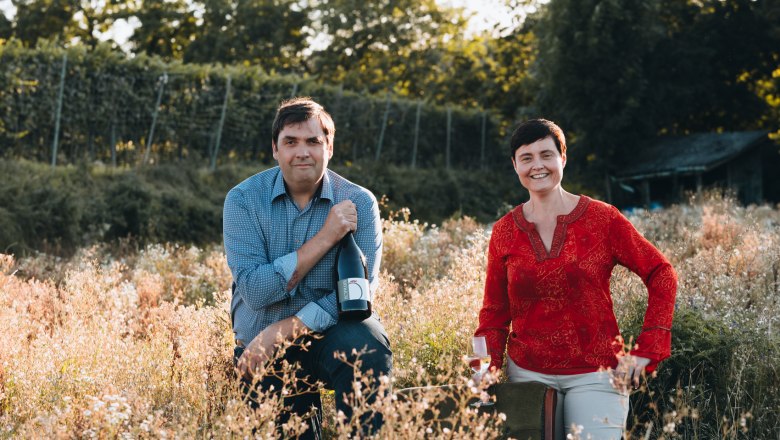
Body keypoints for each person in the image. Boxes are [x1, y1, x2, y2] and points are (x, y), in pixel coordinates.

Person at [474, 119, 677, 440]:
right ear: (514, 165)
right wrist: (482, 371)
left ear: (563, 158)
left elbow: (660, 272)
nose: (537, 165)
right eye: (526, 158)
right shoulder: (504, 231)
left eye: (546, 155)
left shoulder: (603, 218)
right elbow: (493, 314)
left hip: (597, 375)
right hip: (526, 374)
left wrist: (647, 349)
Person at [223, 97, 392, 438]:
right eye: (291, 142)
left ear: (329, 146)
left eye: (313, 141)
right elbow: (255, 291)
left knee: (368, 346)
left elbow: (359, 290)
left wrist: (284, 330)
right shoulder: (242, 200)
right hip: (259, 341)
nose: (302, 152)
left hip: (330, 333)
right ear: (275, 148)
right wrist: (327, 235)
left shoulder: (359, 201)